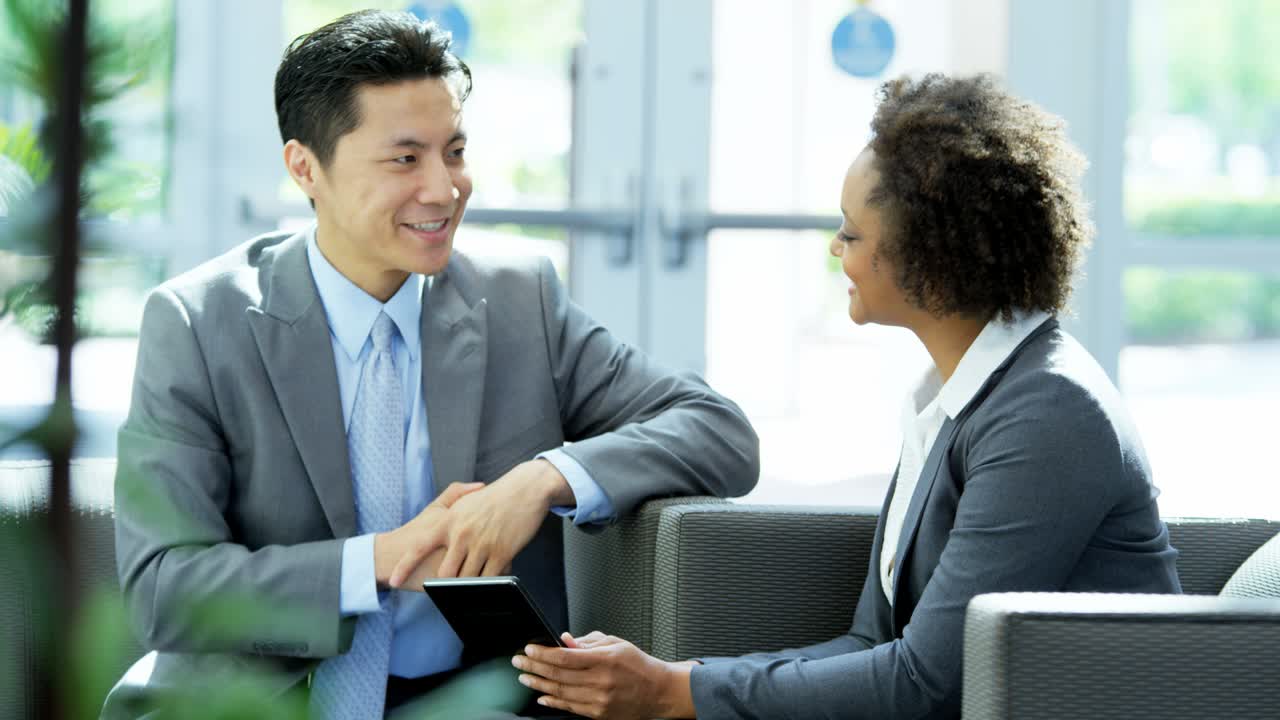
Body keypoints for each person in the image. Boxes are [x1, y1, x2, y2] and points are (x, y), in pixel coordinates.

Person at [102, 10, 758, 720]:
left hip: (475, 700)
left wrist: (542, 478)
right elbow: (164, 588)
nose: (445, 190)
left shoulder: (518, 302)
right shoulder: (199, 323)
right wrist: (381, 560)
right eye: (405, 158)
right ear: (305, 167)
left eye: (455, 151)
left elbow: (719, 432)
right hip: (258, 702)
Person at [513, 73, 1183, 720]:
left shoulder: (1048, 413)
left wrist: (675, 692)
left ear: (937, 254)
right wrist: (676, 684)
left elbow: (927, 685)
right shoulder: (959, 401)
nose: (837, 250)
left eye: (853, 234)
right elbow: (873, 647)